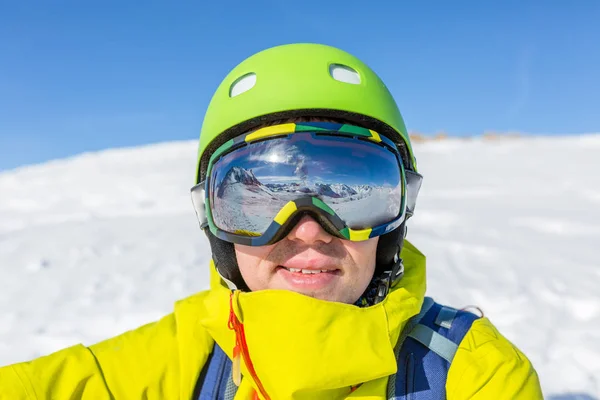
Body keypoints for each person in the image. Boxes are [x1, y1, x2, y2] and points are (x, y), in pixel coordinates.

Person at [0, 43, 543, 399]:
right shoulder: (187, 354)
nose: (308, 230)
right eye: (254, 201)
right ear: (212, 221)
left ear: (396, 219)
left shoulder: (470, 373)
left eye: (350, 194)